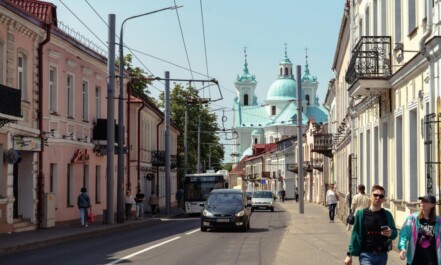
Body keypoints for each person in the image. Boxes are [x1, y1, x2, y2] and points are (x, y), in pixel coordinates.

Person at [344, 184, 398, 265]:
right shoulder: (361, 214)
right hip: (366, 254)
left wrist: (391, 233)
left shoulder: (387, 214)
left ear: (383, 199)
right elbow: (355, 234)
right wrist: (349, 254)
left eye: (381, 196)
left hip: (382, 255)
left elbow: (394, 233)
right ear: (370, 196)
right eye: (375, 195)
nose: (378, 198)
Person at [398, 194, 440, 265]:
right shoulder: (412, 218)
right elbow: (403, 235)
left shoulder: (438, 221)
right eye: (422, 200)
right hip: (415, 260)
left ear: (432, 205)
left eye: (426, 201)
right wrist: (403, 248)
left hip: (432, 260)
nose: (422, 203)